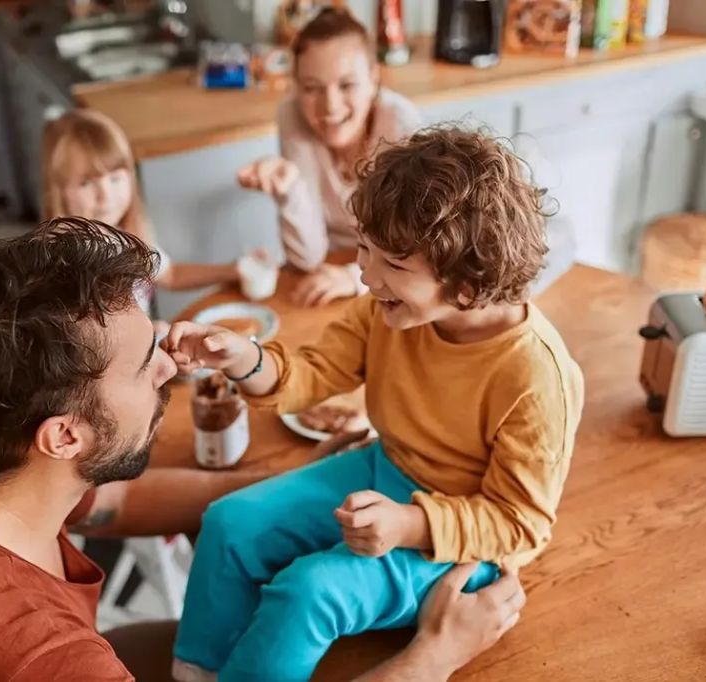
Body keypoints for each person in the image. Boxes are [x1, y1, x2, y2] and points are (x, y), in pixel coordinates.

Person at [0, 218, 525, 681]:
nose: (171, 368)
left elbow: (108, 500)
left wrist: (288, 482)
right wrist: (433, 658)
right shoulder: (43, 660)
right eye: (147, 365)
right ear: (64, 434)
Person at [164, 128, 585, 682]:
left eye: (394, 264)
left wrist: (409, 524)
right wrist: (243, 358)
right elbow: (314, 372)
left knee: (310, 590)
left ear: (466, 283)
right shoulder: (386, 310)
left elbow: (520, 522)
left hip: (462, 541)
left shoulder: (536, 376)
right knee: (228, 522)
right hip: (385, 469)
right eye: (365, 248)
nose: (366, 274)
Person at [237, 7, 421, 307]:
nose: (330, 106)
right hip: (328, 272)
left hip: (392, 281)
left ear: (373, 79)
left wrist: (353, 277)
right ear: (297, 87)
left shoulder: (401, 123)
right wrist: (290, 190)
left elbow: (417, 248)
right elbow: (306, 258)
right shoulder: (292, 114)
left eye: (346, 85)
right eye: (312, 88)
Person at [41, 109, 264, 317]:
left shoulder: (124, 237)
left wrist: (233, 270)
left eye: (115, 178)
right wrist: (147, 333)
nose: (105, 196)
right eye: (86, 183)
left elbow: (171, 275)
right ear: (58, 192)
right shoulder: (69, 265)